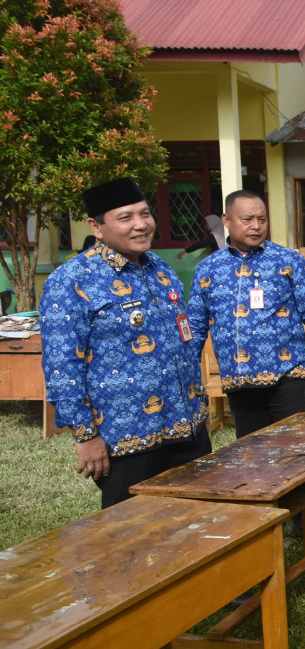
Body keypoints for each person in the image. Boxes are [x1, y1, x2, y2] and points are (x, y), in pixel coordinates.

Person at [40, 176, 211, 509]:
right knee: (131, 537)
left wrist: (198, 403)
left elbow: (183, 342)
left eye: (145, 214)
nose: (141, 225)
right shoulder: (71, 281)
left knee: (195, 523)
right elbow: (62, 367)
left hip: (186, 428)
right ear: (97, 226)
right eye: (126, 217)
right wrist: (86, 436)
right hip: (125, 437)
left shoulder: (160, 269)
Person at [187, 190, 305, 439]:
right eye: (248, 219)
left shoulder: (288, 260)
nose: (256, 226)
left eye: (262, 219)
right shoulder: (207, 269)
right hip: (239, 380)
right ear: (226, 219)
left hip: (288, 374)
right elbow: (195, 327)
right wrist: (189, 381)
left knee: (296, 450)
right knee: (252, 459)